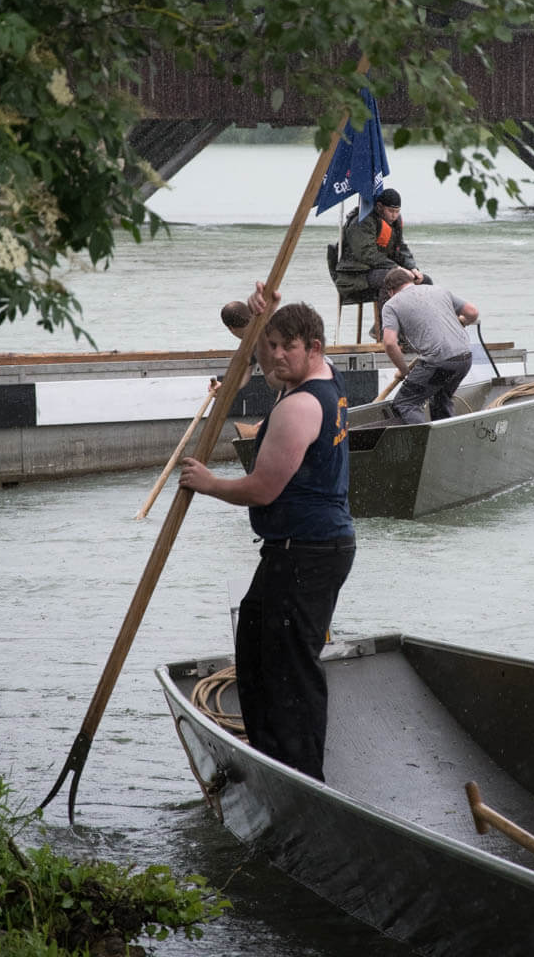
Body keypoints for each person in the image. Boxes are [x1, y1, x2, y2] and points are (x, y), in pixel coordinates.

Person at [179, 286, 355, 782]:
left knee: (289, 670)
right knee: (255, 651)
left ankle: (301, 776)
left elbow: (262, 489)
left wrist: (209, 483)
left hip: (309, 553)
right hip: (300, 549)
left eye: (287, 347)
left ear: (313, 348)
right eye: (270, 345)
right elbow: (268, 351)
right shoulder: (319, 376)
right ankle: (269, 756)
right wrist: (263, 318)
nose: (275, 356)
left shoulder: (299, 407)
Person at [379, 266, 479, 425]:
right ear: (411, 281)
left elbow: (390, 343)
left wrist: (404, 371)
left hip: (439, 363)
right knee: (440, 400)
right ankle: (445, 440)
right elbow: (472, 312)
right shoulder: (439, 290)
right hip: (464, 358)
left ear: (390, 291)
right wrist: (461, 322)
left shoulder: (391, 305)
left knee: (406, 403)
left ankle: (424, 443)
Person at [334, 187, 431, 302]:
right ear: (379, 207)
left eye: (397, 211)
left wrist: (412, 268)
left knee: (425, 281)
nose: (394, 216)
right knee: (393, 279)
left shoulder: (395, 222)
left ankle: (424, 316)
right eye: (391, 211)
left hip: (382, 270)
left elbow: (401, 249)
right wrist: (397, 268)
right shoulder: (362, 222)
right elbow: (367, 254)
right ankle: (386, 319)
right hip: (356, 276)